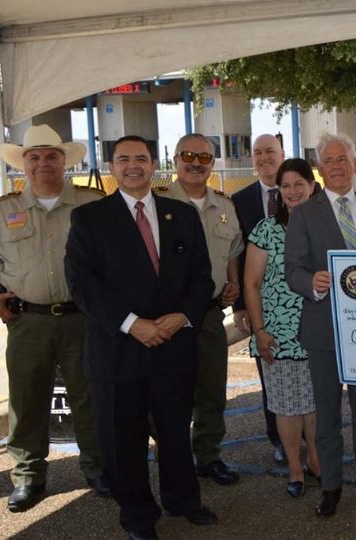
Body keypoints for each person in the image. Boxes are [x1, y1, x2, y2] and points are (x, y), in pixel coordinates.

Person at [65, 135, 216, 540]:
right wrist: (134, 323)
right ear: (111, 166)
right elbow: (82, 285)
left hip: (173, 347)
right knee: (123, 439)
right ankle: (137, 517)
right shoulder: (89, 219)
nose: (134, 165)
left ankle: (184, 500)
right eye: (124, 159)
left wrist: (182, 316)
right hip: (118, 351)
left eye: (142, 158)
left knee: (174, 431)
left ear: (155, 165)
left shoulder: (181, 215)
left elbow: (203, 277)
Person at [0, 124, 107, 512]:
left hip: (82, 318)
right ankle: (28, 476)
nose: (43, 163)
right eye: (34, 157)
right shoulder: (3, 211)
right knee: (27, 397)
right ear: (24, 165)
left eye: (51, 156)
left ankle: (97, 467)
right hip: (26, 322)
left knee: (89, 394)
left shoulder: (91, 204)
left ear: (64, 162)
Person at [284, 133, 356, 517]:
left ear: (355, 163)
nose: (337, 166)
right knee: (326, 415)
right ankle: (330, 486)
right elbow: (291, 269)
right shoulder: (304, 214)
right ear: (320, 168)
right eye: (328, 161)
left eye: (343, 159)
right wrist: (310, 282)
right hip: (323, 328)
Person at [157, 133, 243, 486]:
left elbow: (234, 249)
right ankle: (172, 458)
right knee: (168, 391)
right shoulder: (155, 202)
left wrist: (232, 284)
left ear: (213, 163)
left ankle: (208, 456)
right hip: (166, 317)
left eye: (204, 157)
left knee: (211, 389)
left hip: (208, 315)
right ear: (175, 160)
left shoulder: (224, 206)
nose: (196, 162)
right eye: (188, 155)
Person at [244, 158, 320, 498]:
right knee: (288, 406)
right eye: (285, 185)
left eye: (299, 183)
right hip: (279, 334)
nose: (292, 191)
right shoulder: (265, 230)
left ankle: (317, 459)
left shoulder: (327, 226)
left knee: (316, 403)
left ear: (312, 186)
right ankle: (294, 466)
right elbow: (251, 284)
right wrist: (259, 330)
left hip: (319, 331)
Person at [231, 134, 286, 463]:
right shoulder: (238, 201)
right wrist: (239, 306)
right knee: (269, 372)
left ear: (282, 155)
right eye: (258, 153)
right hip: (258, 303)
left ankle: (313, 434)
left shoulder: (308, 191)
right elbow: (236, 256)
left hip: (303, 299)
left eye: (270, 151)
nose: (264, 157)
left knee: (308, 373)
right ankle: (277, 437)